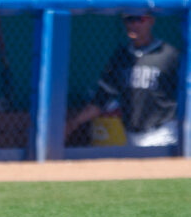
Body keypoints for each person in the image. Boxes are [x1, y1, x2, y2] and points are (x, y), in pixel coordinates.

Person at [66, 10, 180, 147]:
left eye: (139, 19)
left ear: (151, 20)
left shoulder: (169, 54)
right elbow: (101, 98)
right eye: (129, 20)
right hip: (131, 134)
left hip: (163, 131)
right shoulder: (121, 57)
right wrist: (74, 122)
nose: (134, 24)